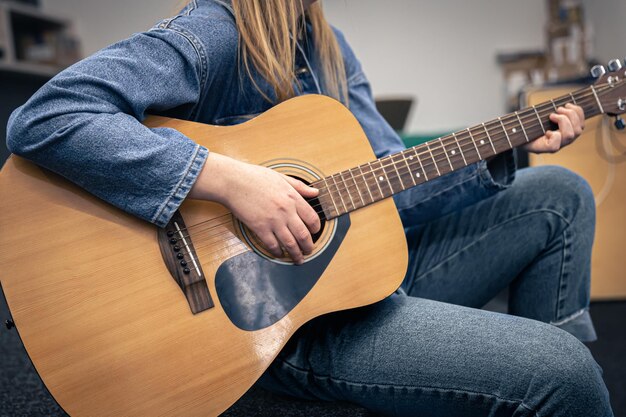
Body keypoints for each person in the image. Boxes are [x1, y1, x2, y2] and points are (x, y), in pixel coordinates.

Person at [5, 0, 614, 415]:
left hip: (343, 288)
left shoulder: (330, 48)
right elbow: (48, 117)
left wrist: (508, 141)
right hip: (262, 323)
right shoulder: (219, 27)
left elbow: (389, 186)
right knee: (566, 374)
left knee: (561, 192)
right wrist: (231, 181)